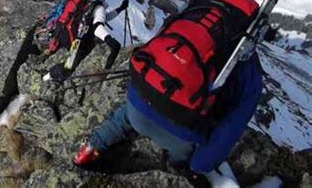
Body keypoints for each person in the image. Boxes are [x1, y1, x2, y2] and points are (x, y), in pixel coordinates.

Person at [73, 53, 263, 179]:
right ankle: (174, 168)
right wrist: (196, 167)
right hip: (180, 136)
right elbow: (228, 131)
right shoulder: (250, 70)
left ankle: (92, 146)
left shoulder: (193, 20)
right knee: (184, 153)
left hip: (138, 109)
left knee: (123, 117)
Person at [46, 0, 129, 82]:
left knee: (70, 63)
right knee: (70, 66)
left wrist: (120, 9)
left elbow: (104, 18)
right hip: (81, 43)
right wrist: (108, 39)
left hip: (71, 35)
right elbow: (97, 25)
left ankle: (49, 76)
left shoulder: (88, 4)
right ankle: (49, 77)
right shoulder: (99, 8)